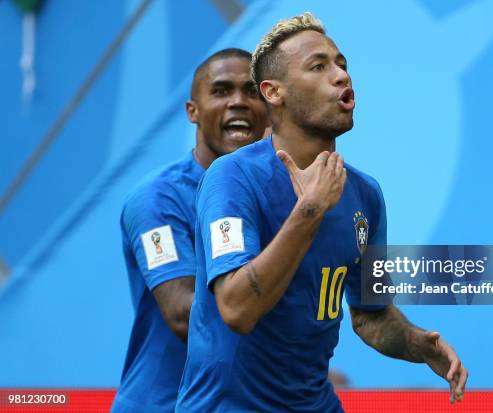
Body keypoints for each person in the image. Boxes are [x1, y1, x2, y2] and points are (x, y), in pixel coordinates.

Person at [176, 13, 468, 413]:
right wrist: (310, 210)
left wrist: (416, 343)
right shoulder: (232, 178)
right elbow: (237, 309)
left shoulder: (366, 196)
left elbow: (371, 316)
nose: (341, 76)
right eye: (318, 66)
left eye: (341, 64)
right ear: (273, 92)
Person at [111, 48, 267, 413]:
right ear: (192, 111)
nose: (238, 102)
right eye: (221, 91)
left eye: (251, 92)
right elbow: (183, 314)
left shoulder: (276, 193)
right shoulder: (156, 199)